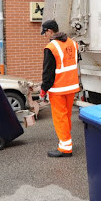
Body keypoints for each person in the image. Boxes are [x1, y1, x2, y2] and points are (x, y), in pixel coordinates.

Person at [40, 20, 80, 157]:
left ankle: (65, 148)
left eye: (45, 32)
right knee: (67, 116)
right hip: (72, 86)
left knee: (60, 118)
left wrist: (44, 89)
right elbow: (75, 62)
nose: (44, 35)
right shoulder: (73, 44)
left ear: (50, 31)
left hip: (58, 88)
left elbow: (48, 72)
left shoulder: (51, 47)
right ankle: (66, 141)